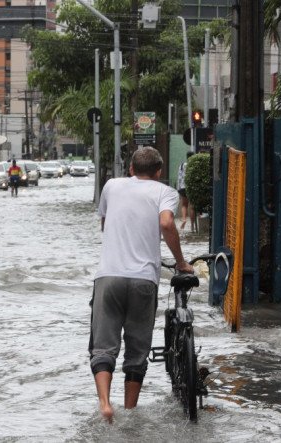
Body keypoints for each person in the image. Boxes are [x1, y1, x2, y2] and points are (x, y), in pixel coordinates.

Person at [89, 147, 194, 422]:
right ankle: (130, 411)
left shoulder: (112, 185)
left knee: (103, 346)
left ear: (131, 169)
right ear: (159, 172)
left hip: (108, 276)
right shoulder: (164, 192)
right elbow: (167, 223)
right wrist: (181, 262)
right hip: (144, 280)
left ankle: (104, 404)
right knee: (137, 351)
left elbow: (104, 223)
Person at [177, 152, 196, 231]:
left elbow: (179, 176)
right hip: (191, 187)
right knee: (192, 206)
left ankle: (184, 219)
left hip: (182, 187)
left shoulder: (182, 165)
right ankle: (192, 226)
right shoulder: (194, 165)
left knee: (184, 205)